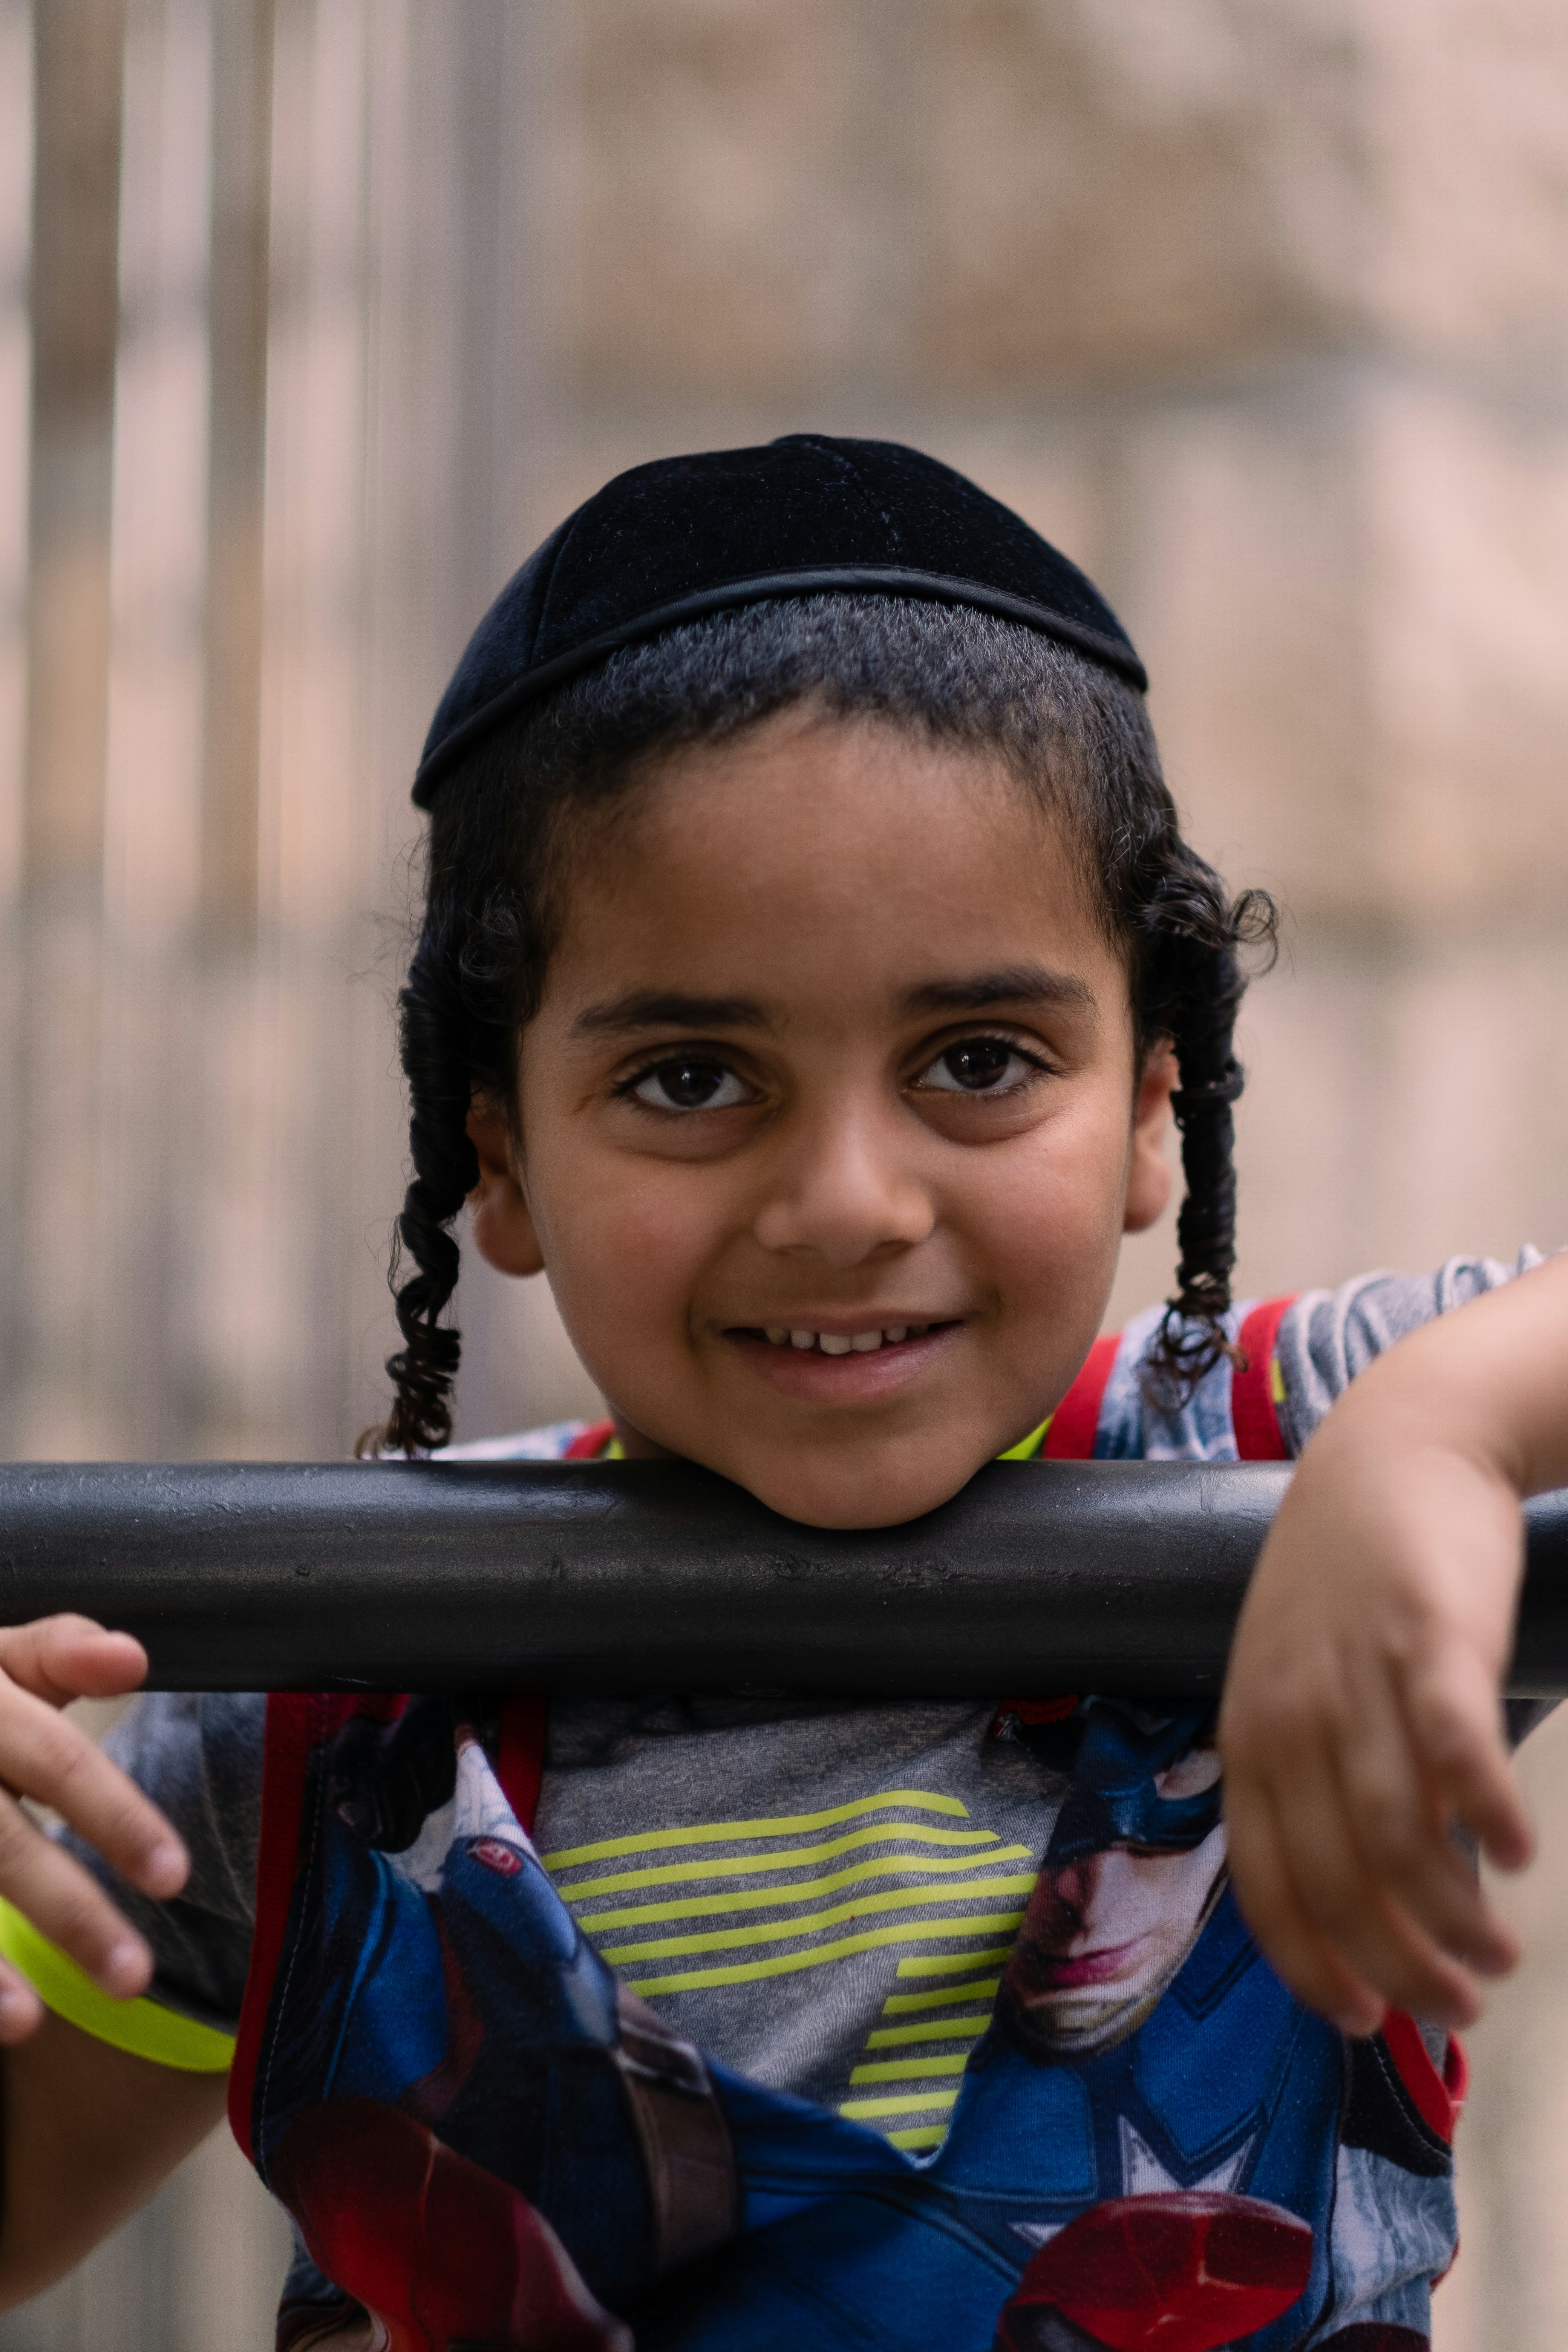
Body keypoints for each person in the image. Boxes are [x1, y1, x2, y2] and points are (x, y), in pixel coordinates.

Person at [0, 435, 1544, 2351]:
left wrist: (1432, 1435)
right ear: (498, 1153)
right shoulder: (304, 1709)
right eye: (689, 1078)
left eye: (978, 1056)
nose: (845, 1203)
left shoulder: (1281, 1469)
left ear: (1157, 1101)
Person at [1221, 1248, 1568, 2043]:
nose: (868, 1208)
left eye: (978, 1110)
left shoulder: (1301, 1400)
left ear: (1146, 1127)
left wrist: (1435, 1418)